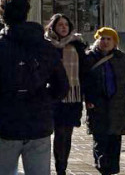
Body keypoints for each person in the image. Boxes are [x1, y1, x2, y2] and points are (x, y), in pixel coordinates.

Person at [0, 0, 68, 175]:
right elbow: (61, 85)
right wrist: (45, 102)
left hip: (6, 122)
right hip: (38, 122)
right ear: (26, 12)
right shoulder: (45, 47)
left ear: (1, 15)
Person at [82, 28, 125, 175]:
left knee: (114, 141)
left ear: (115, 42)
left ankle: (111, 170)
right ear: (97, 40)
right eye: (102, 38)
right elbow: (83, 81)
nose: (105, 42)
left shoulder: (121, 58)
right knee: (100, 139)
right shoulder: (89, 58)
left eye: (108, 39)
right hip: (97, 105)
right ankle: (102, 167)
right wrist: (88, 98)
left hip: (117, 106)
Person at [45, 14, 87, 175]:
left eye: (66, 25)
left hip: (72, 97)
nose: (64, 27)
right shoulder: (47, 46)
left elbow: (85, 71)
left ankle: (61, 167)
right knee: (54, 132)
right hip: (53, 95)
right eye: (60, 25)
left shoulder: (77, 45)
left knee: (65, 134)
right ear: (53, 27)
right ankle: (55, 166)